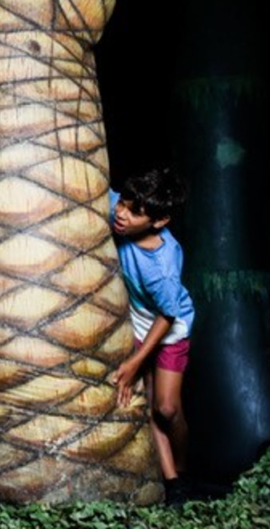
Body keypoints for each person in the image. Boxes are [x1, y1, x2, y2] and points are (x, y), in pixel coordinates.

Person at [108, 168, 194, 506]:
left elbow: (168, 315)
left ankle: (184, 471)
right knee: (149, 407)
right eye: (123, 204)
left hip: (169, 328)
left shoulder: (164, 268)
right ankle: (173, 483)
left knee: (168, 409)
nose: (121, 213)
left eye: (133, 211)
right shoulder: (121, 208)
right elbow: (104, 188)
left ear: (159, 221)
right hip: (140, 319)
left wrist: (134, 362)